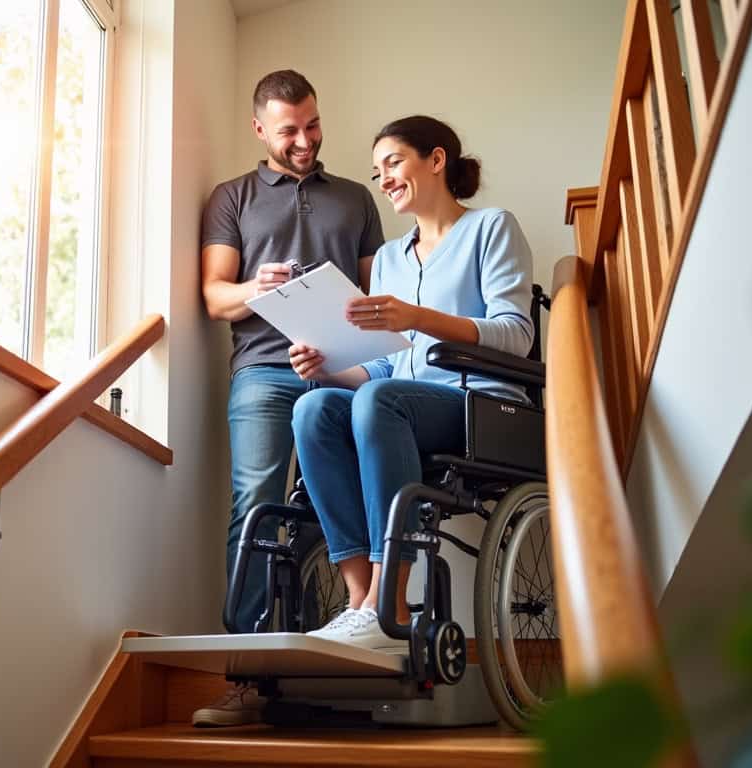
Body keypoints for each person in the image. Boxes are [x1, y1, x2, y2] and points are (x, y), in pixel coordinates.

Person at [288, 115, 534, 650]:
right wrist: (326, 365)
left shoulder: (492, 227)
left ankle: (390, 604)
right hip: (400, 403)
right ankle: (361, 600)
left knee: (381, 400)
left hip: (478, 406)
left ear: (437, 159)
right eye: (377, 173)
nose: (385, 180)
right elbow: (386, 368)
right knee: (314, 408)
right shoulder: (391, 260)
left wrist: (417, 317)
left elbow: (516, 335)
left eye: (394, 163)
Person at [192, 70, 384, 727]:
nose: (305, 140)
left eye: (313, 124)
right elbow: (215, 298)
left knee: (342, 510)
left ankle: (318, 661)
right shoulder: (232, 197)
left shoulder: (358, 198)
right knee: (257, 509)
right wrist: (257, 287)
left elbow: (375, 303)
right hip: (265, 374)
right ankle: (246, 678)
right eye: (288, 131)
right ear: (259, 131)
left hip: (345, 376)